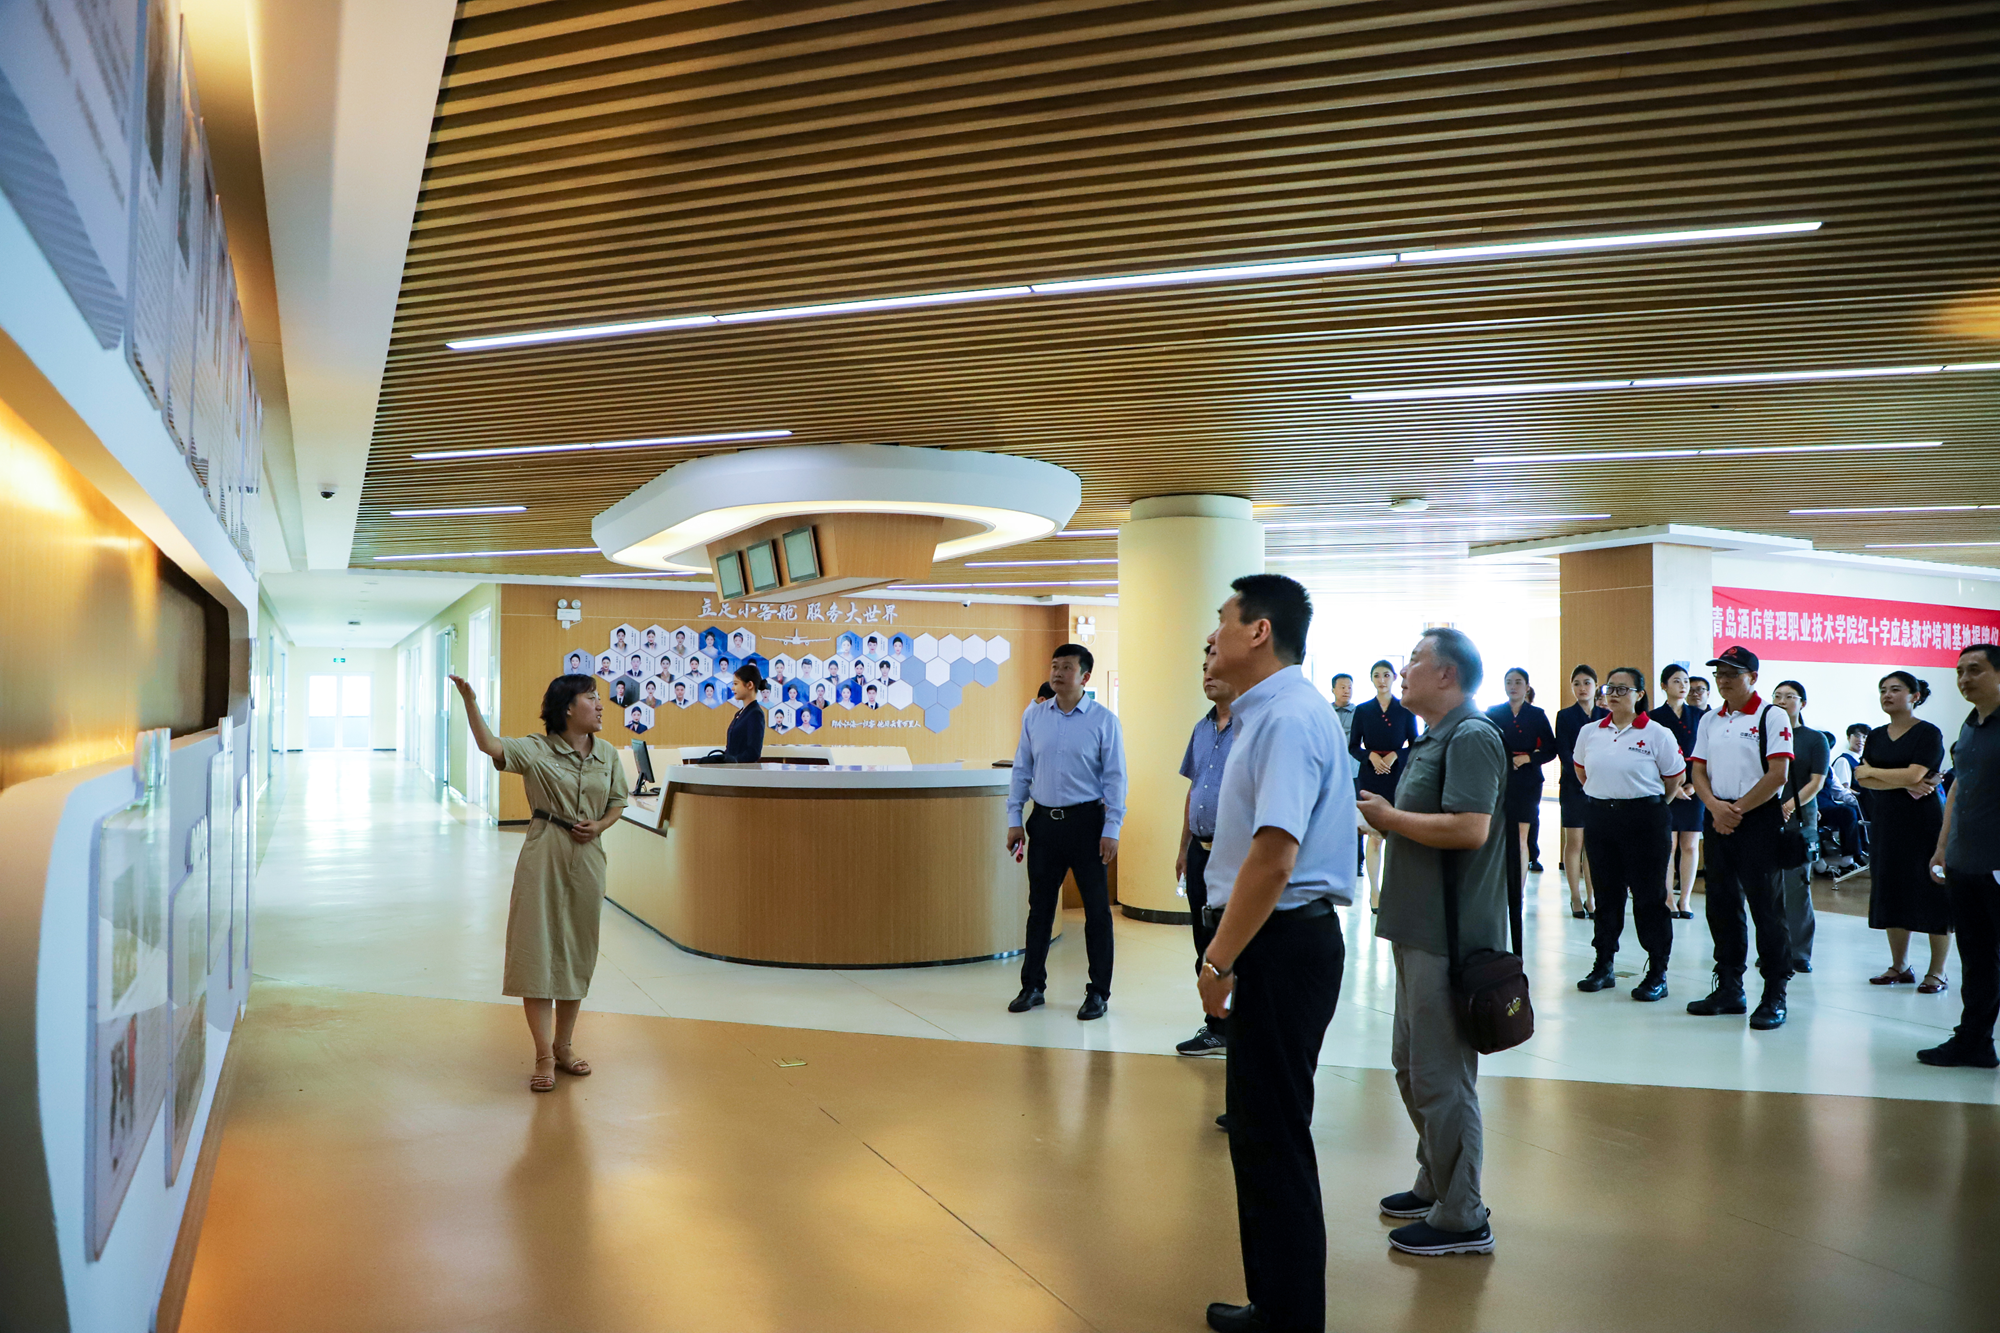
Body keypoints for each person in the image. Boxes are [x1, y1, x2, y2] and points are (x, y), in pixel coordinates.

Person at [1196, 575, 1354, 1333]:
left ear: (1259, 631)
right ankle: (1275, 1304)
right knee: (1260, 1134)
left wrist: (1219, 960)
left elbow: (1274, 855)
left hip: (1281, 943)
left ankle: (1290, 1318)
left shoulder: (1287, 718)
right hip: (1280, 940)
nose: (1212, 635)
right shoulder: (1273, 711)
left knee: (1275, 1138)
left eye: (1222, 620)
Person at [1360, 628, 1503, 1258]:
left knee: (1442, 1077)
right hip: (1416, 926)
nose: (1404, 669)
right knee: (1410, 1065)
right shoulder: (1433, 737)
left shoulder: (1471, 736)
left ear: (1446, 674)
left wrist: (1390, 820)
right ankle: (1436, 1181)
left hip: (1450, 934)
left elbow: (1470, 828)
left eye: (1415, 659)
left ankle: (1463, 1214)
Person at [448, 671, 627, 1092]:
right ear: (568, 708)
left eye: (599, 697)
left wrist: (600, 825)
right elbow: (490, 745)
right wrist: (471, 702)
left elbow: (618, 801)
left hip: (588, 858)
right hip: (544, 852)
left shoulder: (607, 754)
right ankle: (544, 1054)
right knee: (537, 949)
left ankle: (564, 1046)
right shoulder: (536, 748)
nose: (600, 705)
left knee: (577, 949)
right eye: (591, 697)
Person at [1006, 644, 1127, 1020]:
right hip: (1043, 823)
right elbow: (1021, 770)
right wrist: (1014, 818)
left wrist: (1112, 827)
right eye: (1054, 666)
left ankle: (1098, 992)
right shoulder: (1034, 717)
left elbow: (1115, 778)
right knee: (1039, 909)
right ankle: (1032, 986)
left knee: (1096, 911)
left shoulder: (1104, 721)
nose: (1057, 673)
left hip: (1087, 825)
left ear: (1085, 676)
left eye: (1067, 667)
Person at [1688, 646, 1794, 1030]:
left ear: (1753, 677)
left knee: (1767, 908)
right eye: (1719, 673)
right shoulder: (1710, 720)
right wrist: (1715, 807)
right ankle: (1730, 988)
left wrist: (1736, 810)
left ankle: (1775, 993)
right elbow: (1698, 771)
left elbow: (1778, 774)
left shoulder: (1771, 715)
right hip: (1718, 818)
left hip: (1757, 819)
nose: (1723, 680)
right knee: (1721, 904)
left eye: (1732, 673)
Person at [1570, 667, 1685, 1000]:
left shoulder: (1657, 733)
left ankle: (1658, 972)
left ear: (1640, 695)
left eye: (1623, 689)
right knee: (1606, 895)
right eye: (1610, 688)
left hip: (1646, 820)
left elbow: (1674, 779)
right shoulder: (1590, 732)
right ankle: (1603, 964)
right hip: (1601, 818)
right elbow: (1582, 773)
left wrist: (1646, 804)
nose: (1614, 694)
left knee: (1650, 897)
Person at [1922, 644, 2000, 1067]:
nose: (1964, 679)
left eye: (1975, 670)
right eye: (1959, 672)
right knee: (1976, 956)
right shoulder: (1970, 725)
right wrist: (1942, 846)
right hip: (1966, 862)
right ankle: (1974, 1041)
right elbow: (1958, 789)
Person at [1857, 671, 1949, 992]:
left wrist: (1878, 773)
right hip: (1886, 821)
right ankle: (1900, 966)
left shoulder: (1928, 733)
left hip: (1924, 822)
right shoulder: (1876, 735)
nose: (1887, 695)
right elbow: (1862, 778)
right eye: (1883, 689)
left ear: (1914, 696)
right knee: (1891, 889)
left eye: (1895, 689)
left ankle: (1937, 971)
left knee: (1932, 892)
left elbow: (1915, 774)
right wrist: (1900, 779)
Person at [1175, 650, 1238, 1059]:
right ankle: (1217, 1025)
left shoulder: (1252, 728)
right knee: (1204, 940)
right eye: (1203, 669)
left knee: (1233, 941)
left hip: (1235, 853)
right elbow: (1194, 790)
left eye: (1216, 668)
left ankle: (1237, 1027)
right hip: (1200, 851)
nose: (1208, 675)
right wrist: (1183, 847)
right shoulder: (1201, 728)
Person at [1486, 667, 1556, 955]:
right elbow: (1485, 743)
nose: (1513, 686)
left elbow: (1551, 749)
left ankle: (1518, 889)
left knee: (1521, 835)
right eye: (1509, 682)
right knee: (1499, 833)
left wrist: (1528, 758)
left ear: (1527, 687)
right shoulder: (1493, 712)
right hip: (1500, 779)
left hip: (1527, 780)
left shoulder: (1536, 715)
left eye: (1518, 682)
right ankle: (1498, 886)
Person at [1349, 659, 1419, 912]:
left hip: (1396, 775)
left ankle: (1394, 890)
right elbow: (1353, 746)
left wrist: (1394, 755)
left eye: (1386, 675)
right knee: (1375, 836)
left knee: (1396, 835)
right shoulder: (1363, 710)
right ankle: (1375, 892)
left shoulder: (1405, 709)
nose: (1382, 680)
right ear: (1371, 679)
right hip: (1371, 775)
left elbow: (1415, 744)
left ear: (1394, 678)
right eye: (1377, 675)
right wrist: (1370, 756)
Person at [1771, 680, 1828, 973]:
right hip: (1766, 816)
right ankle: (1773, 947)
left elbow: (1816, 782)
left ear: (1802, 703)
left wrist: (1788, 806)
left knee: (1796, 886)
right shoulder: (1764, 735)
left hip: (1799, 818)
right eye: (1777, 696)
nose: (1782, 701)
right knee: (1768, 887)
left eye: (1789, 696)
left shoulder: (1814, 739)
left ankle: (1799, 952)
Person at [1554, 665, 1608, 919]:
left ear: (1596, 686)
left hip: (1600, 787)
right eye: (1577, 683)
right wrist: (1583, 776)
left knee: (1594, 845)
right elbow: (1564, 752)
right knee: (1574, 842)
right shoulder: (1564, 716)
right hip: (1574, 786)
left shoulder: (1605, 715)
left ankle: (1592, 897)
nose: (1582, 688)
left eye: (1587, 683)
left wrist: (1597, 776)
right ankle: (1575, 897)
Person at [1654, 665, 1708, 918]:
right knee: (1669, 845)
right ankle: (1667, 898)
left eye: (1685, 681)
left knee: (1690, 845)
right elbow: (1649, 756)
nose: (1683, 686)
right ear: (1664, 686)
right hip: (1665, 787)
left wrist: (1695, 784)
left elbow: (1706, 753)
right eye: (1677, 681)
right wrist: (1672, 787)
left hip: (1695, 786)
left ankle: (1685, 899)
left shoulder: (1700, 716)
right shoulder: (1653, 717)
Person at [691, 663, 767, 763]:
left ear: (749, 685)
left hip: (743, 771)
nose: (732, 688)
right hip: (732, 769)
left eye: (736, 684)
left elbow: (753, 753)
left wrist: (731, 760)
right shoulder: (740, 713)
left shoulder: (755, 714)